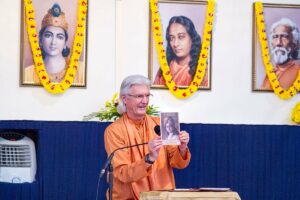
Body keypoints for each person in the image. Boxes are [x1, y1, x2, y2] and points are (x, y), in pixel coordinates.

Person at [104, 74, 191, 200]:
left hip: (161, 196)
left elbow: (178, 163)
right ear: (124, 99)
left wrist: (182, 149)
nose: (145, 101)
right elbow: (122, 173)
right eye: (139, 96)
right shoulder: (114, 131)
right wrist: (149, 158)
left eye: (147, 95)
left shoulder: (160, 124)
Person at [24, 3, 85, 85]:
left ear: (65, 43)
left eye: (59, 37)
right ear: (41, 40)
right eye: (48, 35)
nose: (53, 42)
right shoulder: (27, 73)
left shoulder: (81, 70)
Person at [153, 15, 208, 87]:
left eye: (181, 37)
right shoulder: (164, 68)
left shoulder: (202, 69)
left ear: (192, 38)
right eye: (172, 38)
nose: (175, 44)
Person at [261, 18, 300, 90]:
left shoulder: (298, 72)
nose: (278, 43)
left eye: (284, 37)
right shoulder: (270, 73)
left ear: (295, 43)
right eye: (275, 37)